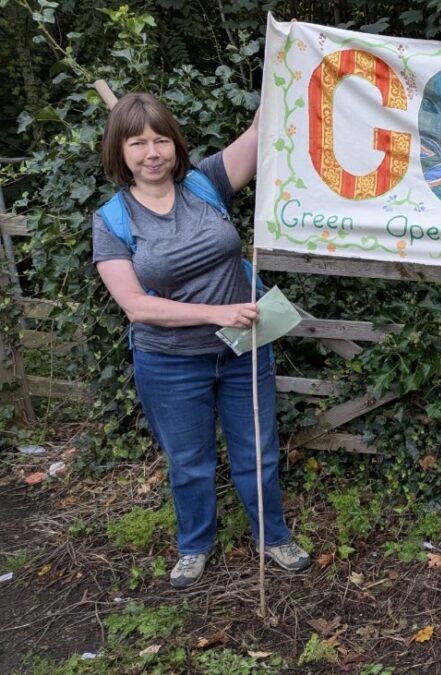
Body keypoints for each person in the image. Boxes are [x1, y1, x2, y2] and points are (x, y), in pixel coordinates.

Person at [93, 93, 311, 589]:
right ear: (120, 152)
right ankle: (195, 545)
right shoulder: (112, 220)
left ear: (175, 144)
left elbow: (260, 136)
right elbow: (136, 305)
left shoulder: (205, 183)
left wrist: (285, 70)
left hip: (243, 350)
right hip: (169, 364)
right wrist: (217, 313)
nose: (152, 152)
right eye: (138, 143)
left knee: (258, 453)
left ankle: (272, 536)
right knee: (190, 463)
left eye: (161, 139)